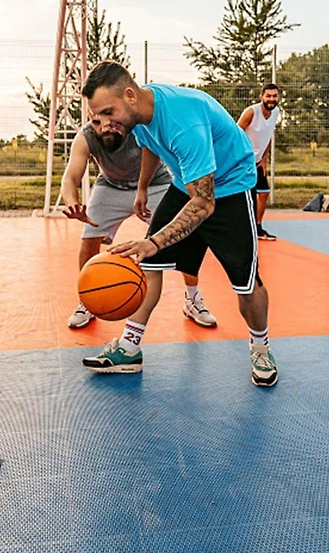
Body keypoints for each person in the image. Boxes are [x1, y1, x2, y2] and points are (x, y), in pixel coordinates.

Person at [78, 60, 277, 388]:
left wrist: (153, 240)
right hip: (188, 183)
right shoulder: (138, 113)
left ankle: (260, 347)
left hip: (230, 186)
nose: (104, 124)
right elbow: (151, 146)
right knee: (148, 264)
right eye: (97, 118)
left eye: (108, 114)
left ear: (129, 95)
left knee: (246, 282)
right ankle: (129, 348)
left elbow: (205, 202)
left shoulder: (183, 121)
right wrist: (142, 187)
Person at [61, 120, 217, 328]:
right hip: (110, 187)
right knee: (89, 239)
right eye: (96, 121)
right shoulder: (86, 137)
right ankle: (87, 300)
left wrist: (142, 189)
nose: (103, 127)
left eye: (106, 118)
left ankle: (192, 298)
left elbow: (152, 153)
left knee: (185, 238)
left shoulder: (134, 127)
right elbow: (70, 176)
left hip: (154, 184)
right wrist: (71, 203)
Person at [237, 83, 281, 241]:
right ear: (261, 96)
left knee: (263, 193)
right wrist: (241, 158)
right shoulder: (251, 112)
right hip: (243, 161)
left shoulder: (275, 112)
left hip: (257, 161)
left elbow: (268, 136)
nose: (271, 99)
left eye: (274, 96)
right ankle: (240, 230)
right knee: (243, 196)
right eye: (268, 96)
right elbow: (236, 134)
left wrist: (263, 159)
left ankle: (258, 227)